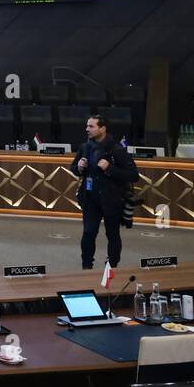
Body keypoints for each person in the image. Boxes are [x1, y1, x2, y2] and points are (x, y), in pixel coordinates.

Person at [71, 115, 138, 271]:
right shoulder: (85, 147)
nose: (87, 129)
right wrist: (79, 167)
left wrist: (110, 168)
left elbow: (134, 175)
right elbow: (74, 168)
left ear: (102, 129)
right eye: (87, 126)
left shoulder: (117, 150)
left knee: (112, 234)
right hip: (90, 199)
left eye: (91, 126)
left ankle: (111, 266)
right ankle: (86, 266)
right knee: (88, 233)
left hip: (112, 200)